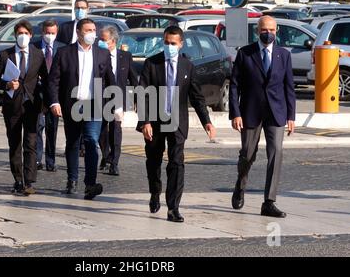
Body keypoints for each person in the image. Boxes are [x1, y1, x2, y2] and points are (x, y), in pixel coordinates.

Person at [137, 26, 216, 223]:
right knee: (154, 161)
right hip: (155, 121)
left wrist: (206, 121)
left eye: (173, 43)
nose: (169, 46)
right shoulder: (151, 63)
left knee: (177, 163)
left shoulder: (187, 66)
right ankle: (155, 192)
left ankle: (173, 207)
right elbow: (142, 93)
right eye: (166, 42)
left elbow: (196, 96)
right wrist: (145, 121)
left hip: (178, 122)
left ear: (180, 44)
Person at [229, 15, 296, 218]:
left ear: (277, 31)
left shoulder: (283, 55)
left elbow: (289, 87)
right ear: (258, 31)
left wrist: (291, 116)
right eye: (265, 30)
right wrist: (235, 113)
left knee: (276, 154)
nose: (269, 33)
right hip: (250, 111)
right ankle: (240, 186)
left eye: (273, 30)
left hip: (276, 113)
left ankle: (269, 202)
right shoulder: (245, 54)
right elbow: (234, 85)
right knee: (248, 154)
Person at [49, 18, 116, 200]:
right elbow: (54, 80)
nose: (92, 34)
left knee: (91, 141)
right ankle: (72, 180)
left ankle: (90, 183)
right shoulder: (64, 53)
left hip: (94, 104)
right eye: (88, 30)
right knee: (72, 142)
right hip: (72, 104)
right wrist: (55, 102)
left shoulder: (102, 54)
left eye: (94, 30)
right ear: (79, 32)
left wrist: (116, 104)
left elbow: (110, 80)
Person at [0, 20, 50, 196]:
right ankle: (18, 179)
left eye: (25, 33)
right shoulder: (5, 54)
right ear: (15, 35)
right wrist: (7, 84)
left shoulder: (38, 54)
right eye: (19, 33)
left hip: (32, 106)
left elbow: (46, 80)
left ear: (31, 35)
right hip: (12, 106)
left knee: (31, 144)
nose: (22, 36)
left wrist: (47, 103)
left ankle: (29, 181)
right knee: (15, 143)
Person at [98, 25, 138, 176]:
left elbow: (133, 78)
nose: (100, 43)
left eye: (104, 40)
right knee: (101, 130)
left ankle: (114, 162)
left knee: (116, 129)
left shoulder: (125, 56)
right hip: (100, 97)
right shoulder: (97, 55)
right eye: (100, 40)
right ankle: (106, 155)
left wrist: (137, 99)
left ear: (113, 41)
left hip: (119, 97)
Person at [57, 0, 90, 157]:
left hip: (86, 79)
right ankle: (72, 144)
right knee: (71, 118)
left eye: (83, 7)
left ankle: (83, 146)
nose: (80, 10)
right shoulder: (65, 27)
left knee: (86, 117)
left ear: (88, 9)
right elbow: (59, 47)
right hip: (69, 73)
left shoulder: (91, 28)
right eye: (77, 7)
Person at [33, 20, 66, 172]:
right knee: (38, 127)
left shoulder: (62, 48)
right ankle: (37, 159)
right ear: (42, 31)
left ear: (57, 32)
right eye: (47, 33)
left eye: (52, 33)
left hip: (54, 96)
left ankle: (50, 161)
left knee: (52, 130)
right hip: (37, 94)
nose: (50, 36)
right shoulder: (34, 46)